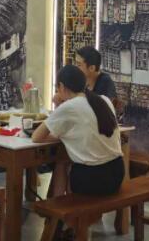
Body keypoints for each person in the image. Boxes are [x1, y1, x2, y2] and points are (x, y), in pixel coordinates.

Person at [32, 65, 123, 197]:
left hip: (93, 179)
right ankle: (59, 206)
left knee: (65, 164)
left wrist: (58, 107)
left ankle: (59, 206)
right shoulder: (104, 100)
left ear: (61, 86)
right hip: (117, 173)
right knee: (65, 161)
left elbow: (36, 137)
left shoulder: (69, 106)